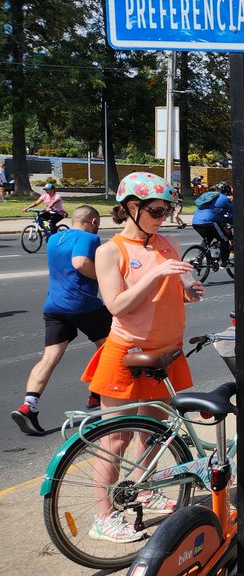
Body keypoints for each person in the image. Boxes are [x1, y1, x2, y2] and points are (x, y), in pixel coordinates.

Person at [83, 171, 202, 542]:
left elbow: (170, 293)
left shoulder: (167, 243)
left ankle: (144, 487)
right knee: (115, 438)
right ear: (131, 208)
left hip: (165, 354)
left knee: (153, 434)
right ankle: (103, 516)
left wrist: (188, 291)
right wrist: (154, 275)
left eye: (167, 210)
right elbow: (116, 306)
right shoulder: (110, 251)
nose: (162, 217)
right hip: (128, 352)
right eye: (155, 210)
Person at [11, 205, 108, 435]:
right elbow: (80, 263)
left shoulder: (54, 238)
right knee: (111, 346)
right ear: (94, 222)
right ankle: (97, 396)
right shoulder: (89, 238)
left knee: (49, 357)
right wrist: (105, 277)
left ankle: (28, 406)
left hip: (54, 306)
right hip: (83, 305)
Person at [192, 180, 234, 266]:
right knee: (224, 239)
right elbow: (234, 210)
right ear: (226, 191)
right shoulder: (224, 198)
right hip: (209, 222)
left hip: (195, 222)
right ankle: (224, 262)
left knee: (208, 238)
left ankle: (198, 259)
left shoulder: (208, 195)